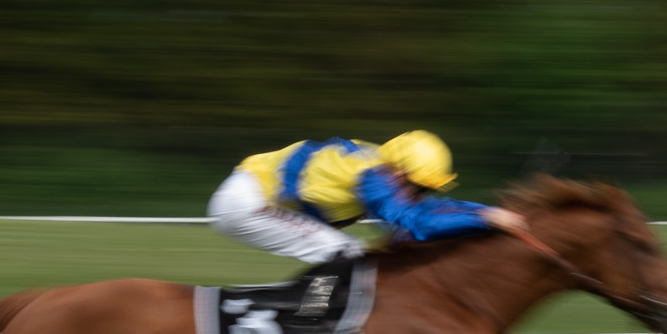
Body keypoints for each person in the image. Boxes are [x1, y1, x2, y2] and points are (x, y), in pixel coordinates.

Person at [207, 129, 525, 266]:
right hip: (247, 204)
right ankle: (305, 327)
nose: (421, 194)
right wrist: (485, 218)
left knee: (349, 252)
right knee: (346, 253)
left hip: (248, 196)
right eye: (419, 186)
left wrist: (491, 212)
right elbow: (416, 223)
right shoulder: (372, 176)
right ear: (398, 173)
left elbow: (431, 210)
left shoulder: (377, 166)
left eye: (427, 188)